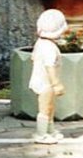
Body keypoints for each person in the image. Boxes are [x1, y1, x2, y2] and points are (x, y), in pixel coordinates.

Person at [29, 9, 68, 144]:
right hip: (46, 83)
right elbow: (49, 66)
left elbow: (33, 57)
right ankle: (41, 134)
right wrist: (56, 83)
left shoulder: (41, 42)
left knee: (50, 107)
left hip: (42, 81)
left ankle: (50, 130)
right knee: (45, 108)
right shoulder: (49, 48)